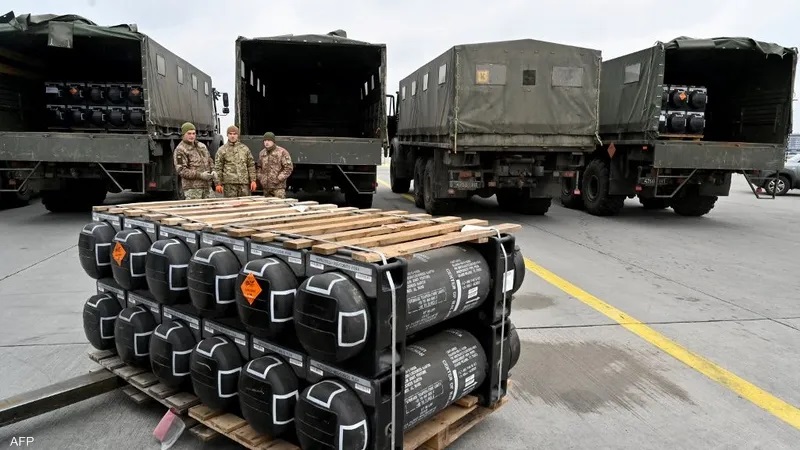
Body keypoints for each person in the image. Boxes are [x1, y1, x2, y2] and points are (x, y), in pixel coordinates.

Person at [172, 122, 214, 199]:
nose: (192, 136)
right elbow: (181, 170)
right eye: (189, 133)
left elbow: (209, 160)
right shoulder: (180, 150)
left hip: (207, 187)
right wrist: (200, 175)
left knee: (213, 205)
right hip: (192, 189)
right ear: (183, 134)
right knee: (195, 206)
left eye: (193, 133)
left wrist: (213, 170)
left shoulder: (201, 146)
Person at [213, 125, 257, 198]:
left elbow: (251, 165)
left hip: (244, 184)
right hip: (229, 185)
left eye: (234, 134)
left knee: (245, 203)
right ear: (227, 135)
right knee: (230, 203)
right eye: (230, 134)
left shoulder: (245, 149)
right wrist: (218, 183)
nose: (232, 136)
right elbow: (218, 168)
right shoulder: (222, 150)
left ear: (238, 135)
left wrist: (253, 180)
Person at [257, 132, 293, 198]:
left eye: (269, 140)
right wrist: (261, 178)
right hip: (266, 188)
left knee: (279, 203)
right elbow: (259, 167)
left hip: (278, 188)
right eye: (265, 140)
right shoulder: (262, 153)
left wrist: (279, 179)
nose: (266, 142)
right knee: (267, 204)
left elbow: (288, 168)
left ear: (273, 141)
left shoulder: (282, 152)